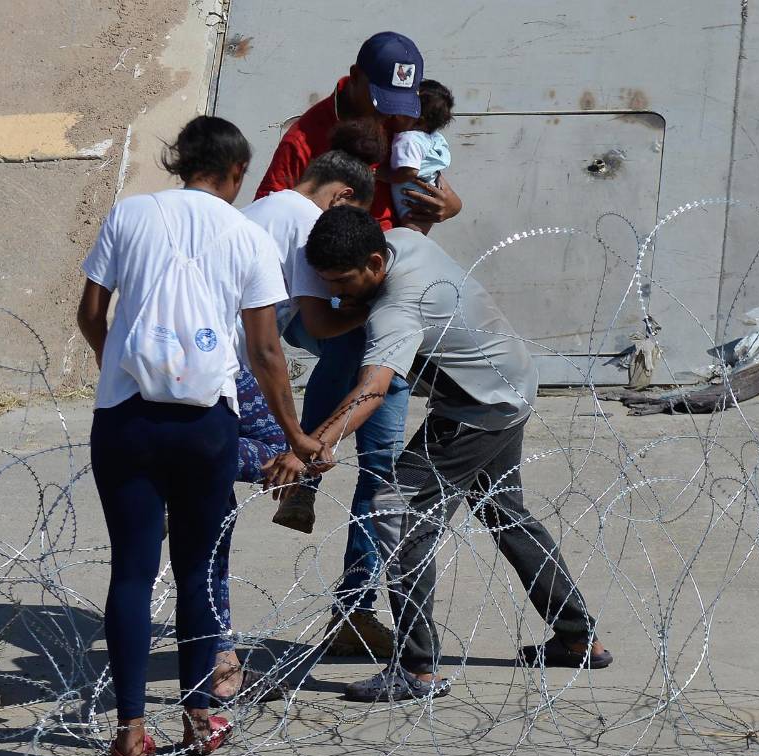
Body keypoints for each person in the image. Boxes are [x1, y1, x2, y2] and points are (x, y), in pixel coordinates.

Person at [263, 207, 614, 703]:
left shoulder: (396, 310)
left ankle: (417, 669)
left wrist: (309, 447)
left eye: (342, 281)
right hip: (508, 385)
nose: (336, 294)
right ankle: (578, 638)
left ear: (375, 262)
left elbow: (373, 389)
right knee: (504, 514)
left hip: (478, 408)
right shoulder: (402, 239)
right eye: (327, 283)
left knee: (396, 510)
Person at [77, 116, 323, 756]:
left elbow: (90, 313)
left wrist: (115, 368)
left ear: (180, 161)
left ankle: (130, 730)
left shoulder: (129, 215)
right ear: (237, 172)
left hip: (126, 419)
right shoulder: (247, 237)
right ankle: (199, 718)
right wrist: (295, 434)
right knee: (195, 572)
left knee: (132, 572)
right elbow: (266, 352)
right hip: (206, 425)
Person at [218, 147, 395, 666]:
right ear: (342, 196)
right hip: (231, 363)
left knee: (235, 487)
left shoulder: (263, 209)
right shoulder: (305, 223)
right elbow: (316, 323)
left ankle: (185, 464)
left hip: (207, 359)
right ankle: (183, 462)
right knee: (281, 451)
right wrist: (377, 311)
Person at [255, 31, 462, 232]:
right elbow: (266, 215)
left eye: (399, 102)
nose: (389, 112)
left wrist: (452, 204)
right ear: (355, 76)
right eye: (382, 100)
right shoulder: (303, 139)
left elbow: (425, 172)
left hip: (394, 245)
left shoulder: (400, 122)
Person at [376, 79, 454, 232]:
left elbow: (410, 172)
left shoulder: (409, 139)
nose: (395, 114)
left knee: (410, 234)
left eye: (403, 111)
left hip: (413, 205)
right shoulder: (430, 136)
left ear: (419, 121)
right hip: (425, 199)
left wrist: (384, 175)